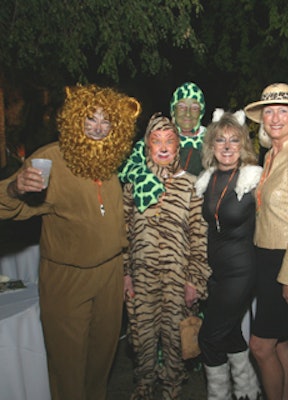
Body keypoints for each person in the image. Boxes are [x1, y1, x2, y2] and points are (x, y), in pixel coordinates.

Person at [0, 84, 141, 400]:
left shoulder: (110, 161)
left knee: (100, 365)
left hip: (109, 276)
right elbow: (9, 204)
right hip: (68, 280)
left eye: (107, 121)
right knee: (68, 370)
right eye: (91, 119)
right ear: (76, 120)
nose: (99, 128)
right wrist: (14, 189)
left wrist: (124, 271)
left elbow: (117, 221)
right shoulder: (51, 158)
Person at [120, 113, 211, 399]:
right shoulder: (134, 184)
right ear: (147, 145)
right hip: (142, 276)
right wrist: (125, 275)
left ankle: (173, 385)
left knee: (174, 337)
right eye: (155, 141)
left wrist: (194, 280)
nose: (162, 147)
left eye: (169, 141)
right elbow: (123, 233)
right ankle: (144, 383)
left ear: (177, 147)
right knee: (142, 336)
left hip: (177, 277)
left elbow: (199, 238)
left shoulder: (191, 185)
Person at [244, 83, 288, 400]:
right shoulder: (273, 153)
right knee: (281, 341)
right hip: (266, 258)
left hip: (283, 262)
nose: (274, 118)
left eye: (282, 111)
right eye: (268, 111)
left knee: (260, 346)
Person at [195, 109, 262, 400]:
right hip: (217, 273)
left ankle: (219, 395)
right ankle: (248, 392)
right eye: (220, 140)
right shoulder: (206, 180)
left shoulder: (253, 180)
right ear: (211, 145)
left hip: (242, 272)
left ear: (243, 145)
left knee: (208, 339)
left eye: (234, 140)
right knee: (230, 333)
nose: (226, 146)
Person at [119, 82, 206, 214]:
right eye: (181, 107)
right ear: (173, 110)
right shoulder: (157, 135)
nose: (187, 113)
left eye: (194, 108)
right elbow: (125, 167)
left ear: (201, 111)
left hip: (197, 218)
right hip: (159, 218)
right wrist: (143, 177)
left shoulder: (212, 141)